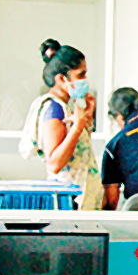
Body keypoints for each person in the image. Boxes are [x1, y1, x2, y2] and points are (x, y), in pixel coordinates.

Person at [21, 39, 102, 210]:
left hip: (83, 199)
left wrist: (87, 119)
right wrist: (78, 127)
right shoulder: (54, 108)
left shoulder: (66, 108)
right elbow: (55, 163)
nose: (85, 80)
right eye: (80, 75)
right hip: (69, 202)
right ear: (60, 79)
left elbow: (78, 152)